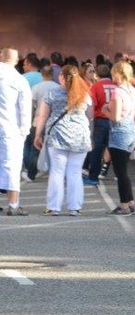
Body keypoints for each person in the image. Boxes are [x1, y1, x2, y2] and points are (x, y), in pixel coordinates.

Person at [33, 65, 93, 216]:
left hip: (57, 135)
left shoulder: (51, 93)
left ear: (62, 77)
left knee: (57, 172)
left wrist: (37, 135)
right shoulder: (84, 94)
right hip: (79, 136)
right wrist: (89, 135)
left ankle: (54, 207)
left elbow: (42, 116)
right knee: (75, 172)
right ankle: (74, 207)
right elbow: (90, 116)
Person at [105, 61, 135, 215]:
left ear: (118, 74)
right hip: (131, 132)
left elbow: (115, 117)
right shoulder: (133, 90)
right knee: (124, 171)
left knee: (120, 172)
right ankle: (131, 202)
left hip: (119, 134)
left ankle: (124, 205)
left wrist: (105, 109)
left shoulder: (117, 92)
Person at [0, 47, 32, 215]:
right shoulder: (19, 79)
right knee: (12, 165)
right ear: (17, 60)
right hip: (9, 128)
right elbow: (25, 108)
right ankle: (13, 205)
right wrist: (24, 131)